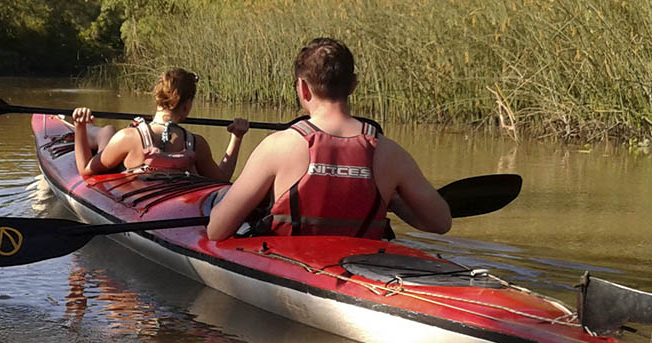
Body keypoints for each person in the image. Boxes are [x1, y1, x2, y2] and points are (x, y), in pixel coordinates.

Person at [207, 38, 451, 241]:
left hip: (290, 267)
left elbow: (216, 230)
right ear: (353, 85)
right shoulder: (390, 152)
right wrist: (393, 199)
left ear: (303, 88)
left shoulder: (278, 146)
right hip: (363, 265)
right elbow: (441, 223)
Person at [72, 68, 250, 180]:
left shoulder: (127, 138)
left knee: (108, 131)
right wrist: (237, 137)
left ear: (157, 99)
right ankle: (90, 130)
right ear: (187, 106)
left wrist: (79, 127)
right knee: (109, 132)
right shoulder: (197, 143)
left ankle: (85, 130)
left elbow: (86, 170)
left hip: (123, 157)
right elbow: (222, 178)